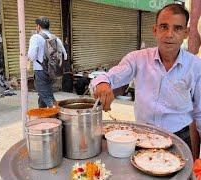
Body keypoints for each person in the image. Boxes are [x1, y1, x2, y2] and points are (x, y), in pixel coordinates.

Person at [91, 4, 201, 160]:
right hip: (142, 137)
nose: (169, 34)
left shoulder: (196, 67)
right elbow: (107, 77)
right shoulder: (137, 59)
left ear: (186, 33)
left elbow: (200, 113)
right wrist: (103, 84)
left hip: (179, 139)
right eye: (164, 27)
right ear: (155, 30)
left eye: (177, 28)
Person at [28, 16, 67, 108]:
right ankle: (43, 113)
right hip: (53, 71)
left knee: (46, 96)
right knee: (44, 93)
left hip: (40, 71)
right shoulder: (56, 39)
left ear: (38, 26)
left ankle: (57, 113)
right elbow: (64, 56)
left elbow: (32, 56)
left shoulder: (35, 37)